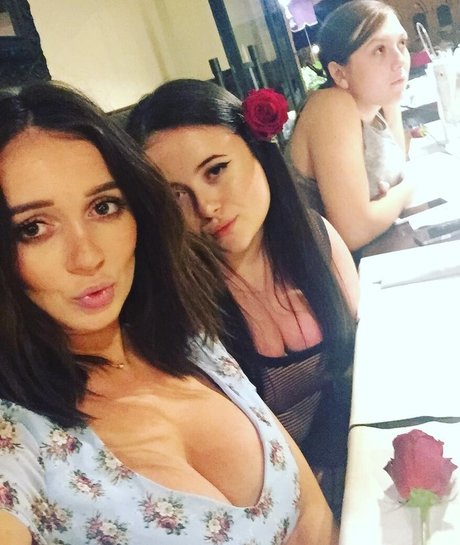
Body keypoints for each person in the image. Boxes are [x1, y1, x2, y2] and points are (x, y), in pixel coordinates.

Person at [0, 82, 339, 545]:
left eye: (103, 206)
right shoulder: (17, 440)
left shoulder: (191, 340)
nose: (88, 256)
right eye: (33, 228)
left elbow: (310, 513)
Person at [126, 78, 359, 518]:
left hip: (356, 464)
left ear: (257, 150)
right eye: (176, 195)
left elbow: (356, 373)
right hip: (284, 513)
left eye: (215, 170)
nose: (206, 207)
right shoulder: (181, 314)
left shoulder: (317, 240)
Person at [286, 0, 414, 251]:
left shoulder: (380, 102)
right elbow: (354, 231)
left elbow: (398, 173)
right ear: (339, 73)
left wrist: (393, 197)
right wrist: (408, 189)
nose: (399, 59)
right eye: (379, 49)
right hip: (321, 270)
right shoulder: (331, 105)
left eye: (401, 43)